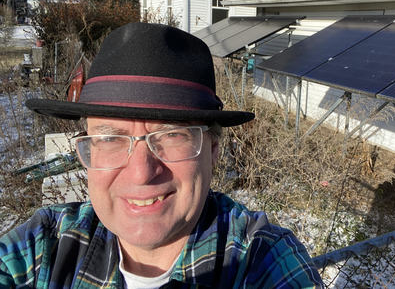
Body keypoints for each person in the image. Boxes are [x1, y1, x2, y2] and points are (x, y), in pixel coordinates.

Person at [0, 23, 323, 288]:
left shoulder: (260, 260)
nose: (142, 172)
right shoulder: (44, 248)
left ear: (212, 150)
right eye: (111, 138)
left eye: (172, 134)